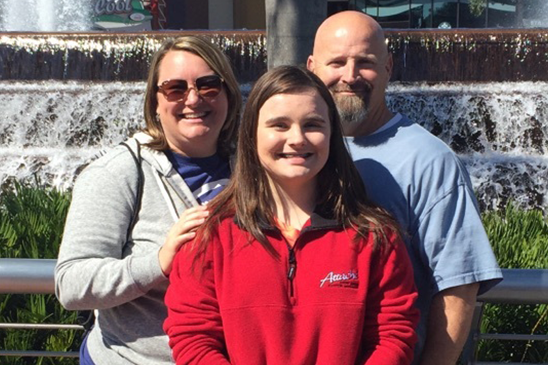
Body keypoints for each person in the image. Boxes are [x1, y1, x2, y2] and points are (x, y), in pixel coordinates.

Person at [164, 65, 419, 365]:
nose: (297, 138)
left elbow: (393, 335)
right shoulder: (209, 236)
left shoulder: (375, 236)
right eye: (279, 125)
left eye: (312, 124)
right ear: (252, 135)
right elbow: (193, 340)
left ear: (331, 134)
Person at [306, 10, 503, 365]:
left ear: (388, 68)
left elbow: (458, 285)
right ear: (312, 67)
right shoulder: (295, 150)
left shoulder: (429, 160)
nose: (349, 76)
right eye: (336, 62)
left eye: (364, 62)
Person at [54, 35, 242, 364]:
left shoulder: (254, 168)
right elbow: (71, 284)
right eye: (175, 89)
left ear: (227, 93)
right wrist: (158, 262)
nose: (194, 99)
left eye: (209, 85)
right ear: (155, 102)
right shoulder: (118, 172)